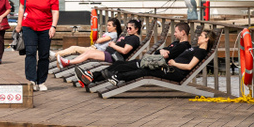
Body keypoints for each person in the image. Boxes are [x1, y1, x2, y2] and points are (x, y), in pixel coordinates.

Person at [85, 29, 216, 89]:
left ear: (207, 39)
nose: (198, 37)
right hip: (169, 67)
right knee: (136, 67)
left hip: (174, 72)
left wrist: (174, 62)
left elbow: (189, 67)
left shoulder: (201, 52)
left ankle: (116, 77)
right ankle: (100, 76)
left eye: (201, 36)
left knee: (146, 71)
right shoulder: (196, 48)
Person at [76, 22, 192, 87]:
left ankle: (92, 77)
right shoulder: (177, 43)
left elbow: (165, 55)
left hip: (153, 65)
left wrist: (163, 51)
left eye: (176, 32)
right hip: (150, 61)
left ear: (183, 32)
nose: (175, 34)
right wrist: (162, 51)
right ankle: (92, 77)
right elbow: (159, 52)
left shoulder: (184, 46)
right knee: (119, 65)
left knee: (120, 67)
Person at [16, 0, 59, 92]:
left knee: (44, 55)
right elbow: (21, 7)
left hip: (45, 27)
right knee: (30, 52)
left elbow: (55, 11)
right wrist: (19, 24)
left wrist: (53, 26)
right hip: (29, 26)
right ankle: (31, 79)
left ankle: (41, 81)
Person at [57, 18, 142, 69]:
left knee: (88, 54)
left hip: (113, 57)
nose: (128, 29)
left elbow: (124, 51)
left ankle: (68, 63)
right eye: (127, 27)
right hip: (109, 53)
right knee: (88, 52)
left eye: (130, 28)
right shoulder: (129, 36)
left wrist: (113, 45)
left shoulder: (134, 39)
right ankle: (67, 62)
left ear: (136, 29)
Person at [52, 17, 121, 61]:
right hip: (93, 48)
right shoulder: (109, 33)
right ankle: (58, 55)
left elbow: (99, 40)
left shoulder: (113, 34)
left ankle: (55, 55)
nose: (107, 27)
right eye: (107, 25)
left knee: (74, 48)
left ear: (115, 27)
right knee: (74, 48)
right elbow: (98, 41)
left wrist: (98, 40)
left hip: (96, 50)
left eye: (109, 25)